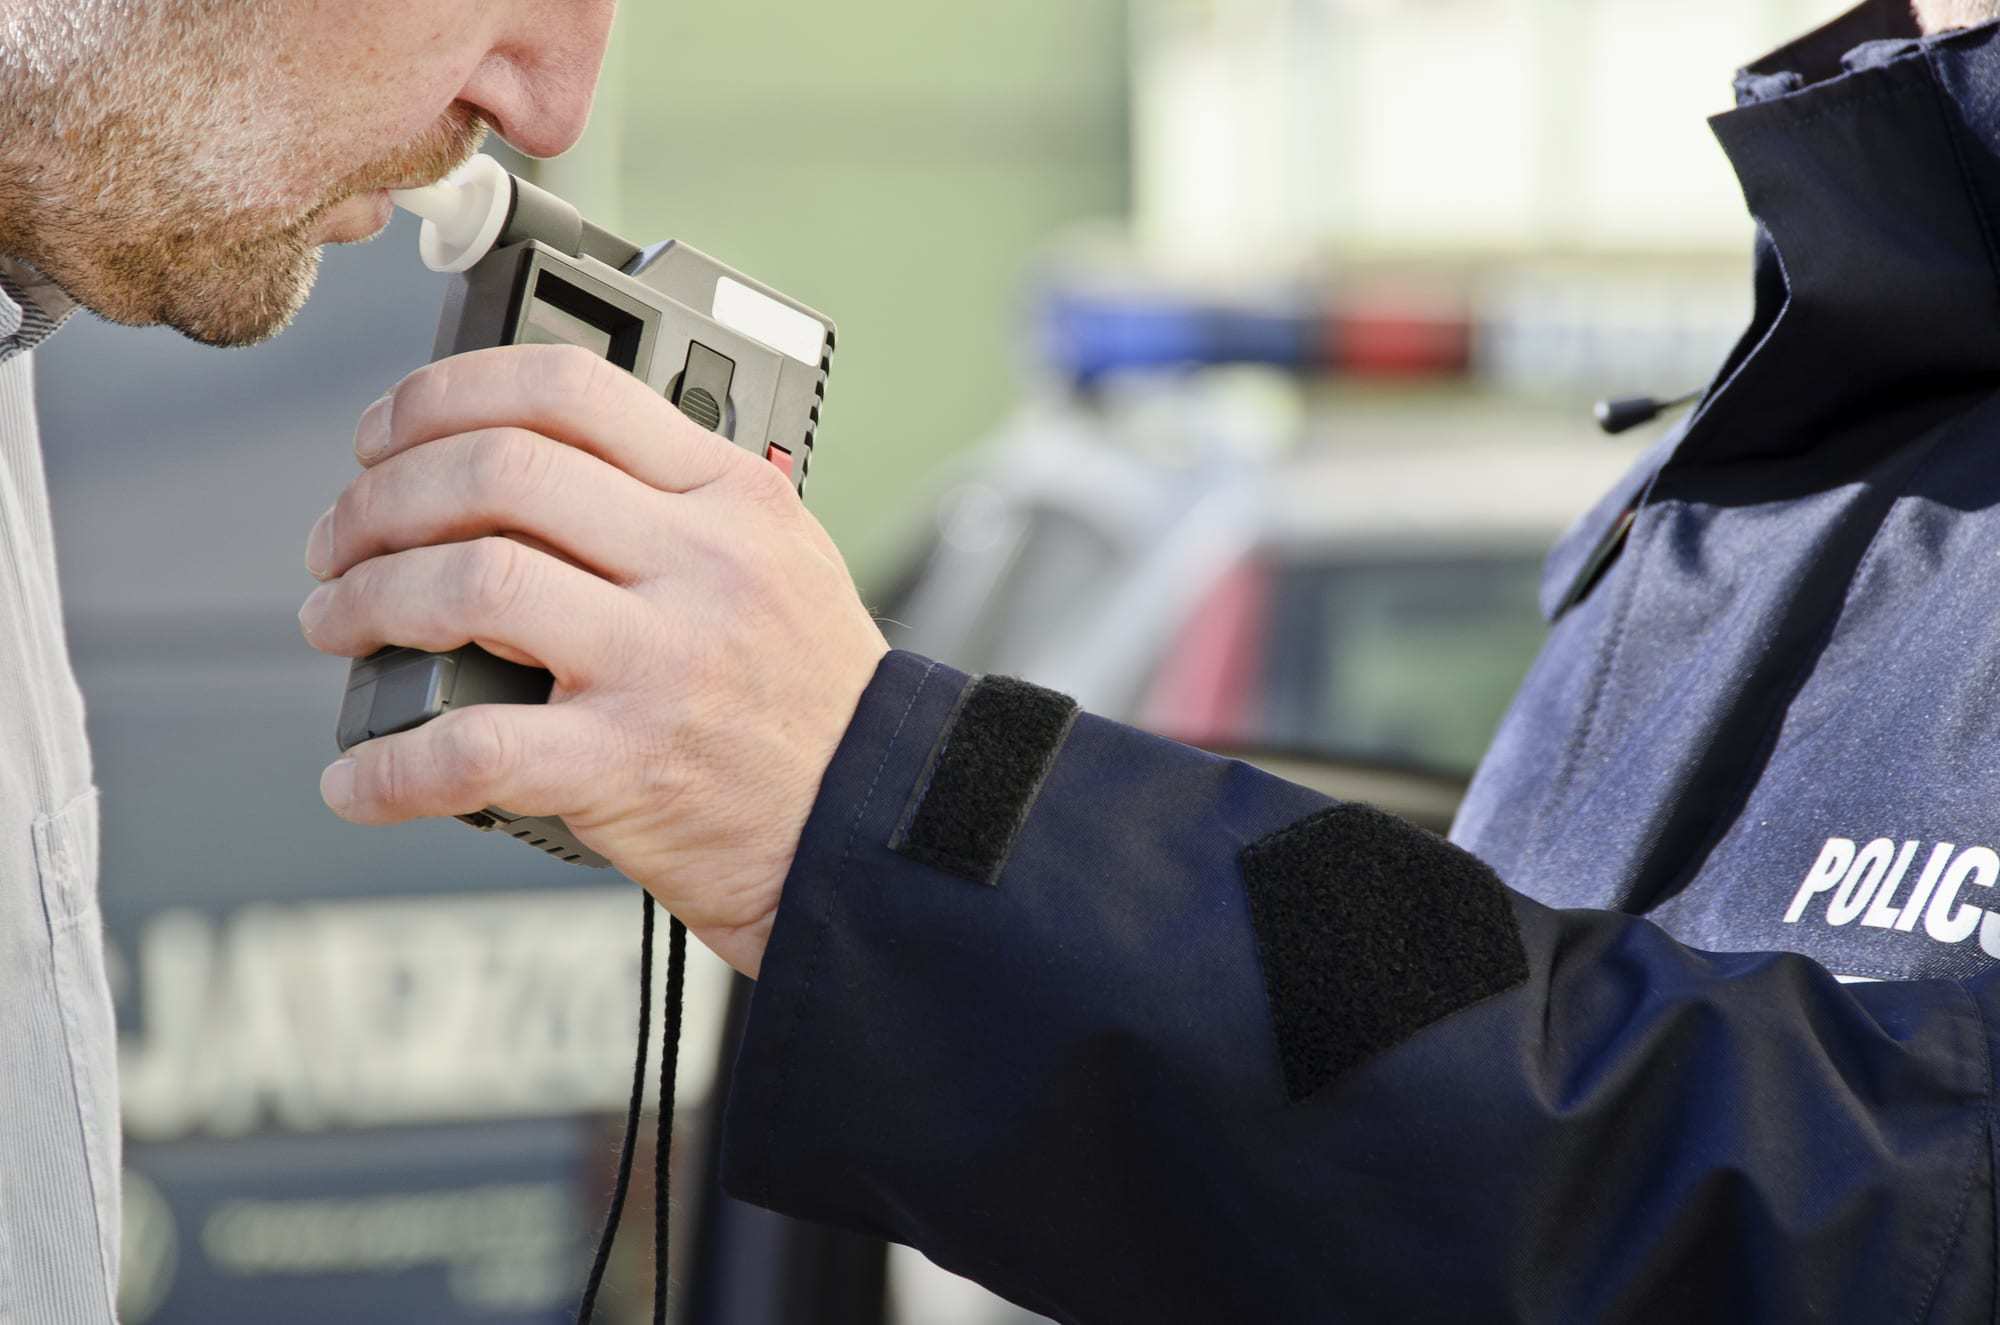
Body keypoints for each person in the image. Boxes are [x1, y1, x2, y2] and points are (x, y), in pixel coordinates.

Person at [7, 0, 2000, 1319]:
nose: (551, 96)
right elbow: (1525, 1065)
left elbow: (1834, 1196)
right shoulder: (1794, 418)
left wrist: (893, 809)